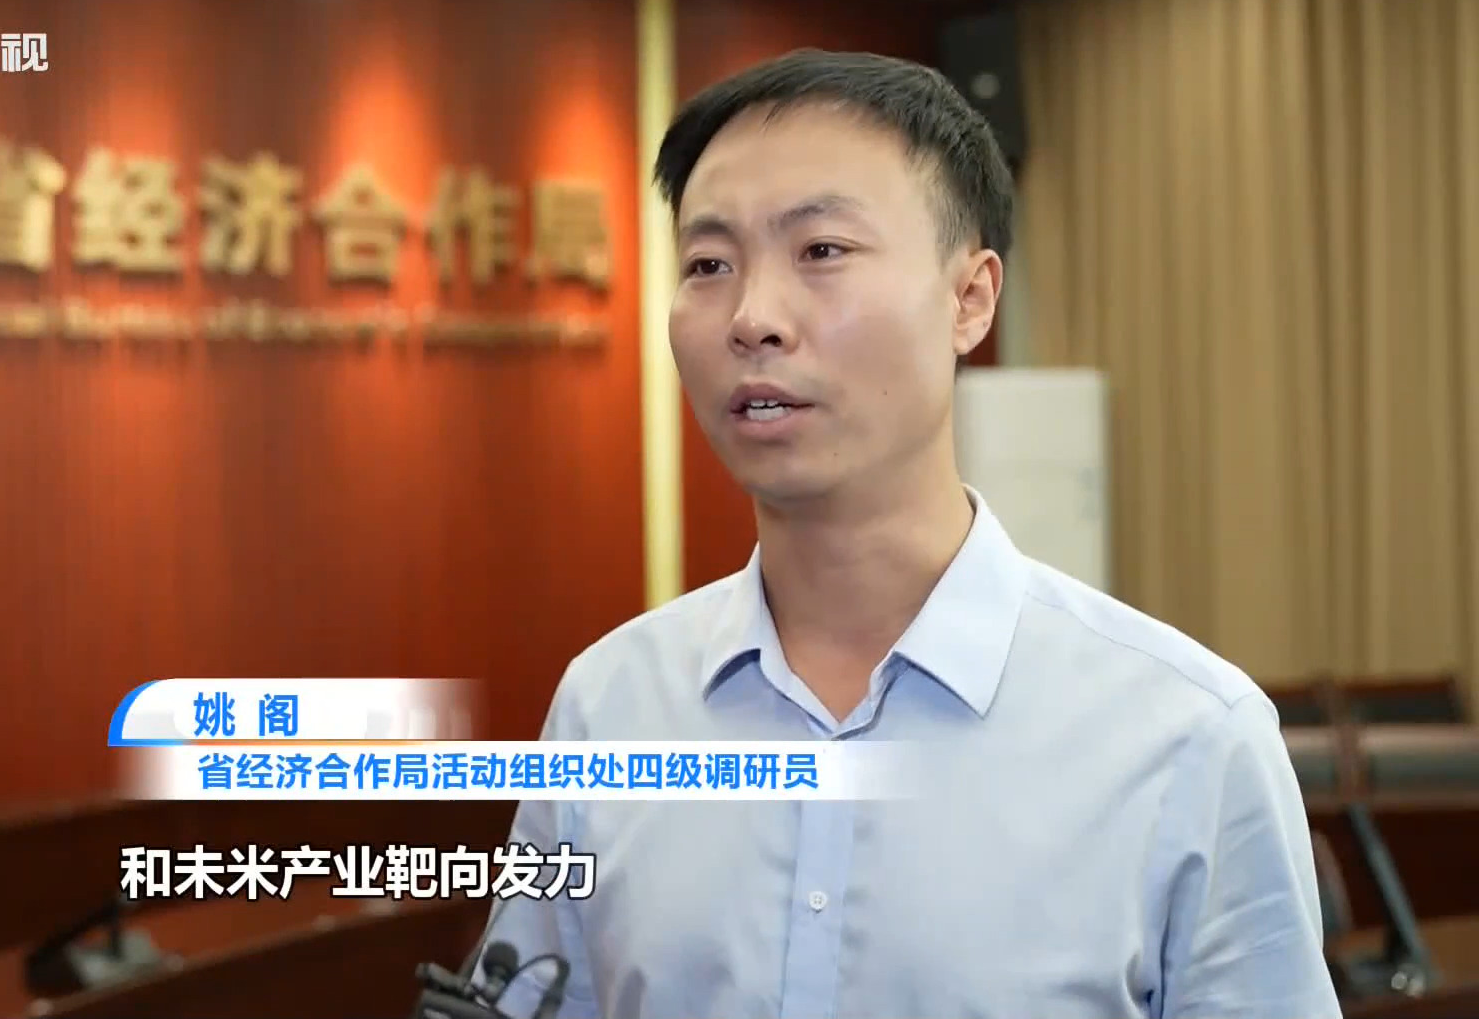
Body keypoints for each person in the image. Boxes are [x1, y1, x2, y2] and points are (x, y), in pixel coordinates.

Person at [480, 50, 1340, 1019]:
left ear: (971, 299)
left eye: (821, 251)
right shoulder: (609, 708)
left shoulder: (1188, 739)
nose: (753, 318)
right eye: (708, 265)